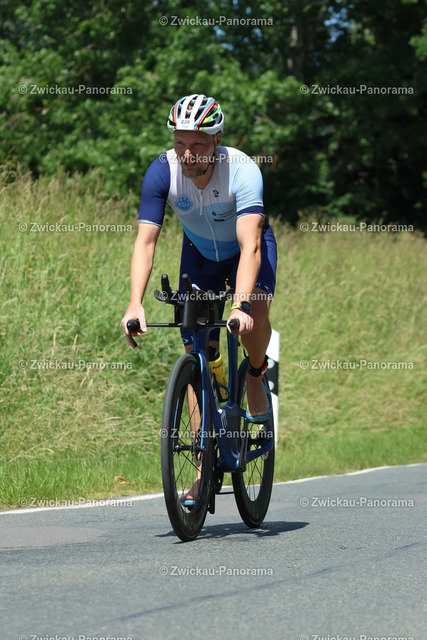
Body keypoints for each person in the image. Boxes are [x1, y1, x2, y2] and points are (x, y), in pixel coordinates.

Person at [121, 93, 277, 423]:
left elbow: (250, 246)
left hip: (246, 252)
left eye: (197, 144)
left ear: (217, 140)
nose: (187, 154)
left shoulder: (242, 170)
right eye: (180, 143)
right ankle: (201, 452)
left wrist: (240, 305)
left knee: (255, 312)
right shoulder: (162, 171)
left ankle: (254, 374)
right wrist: (135, 303)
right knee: (195, 349)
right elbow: (145, 242)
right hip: (200, 256)